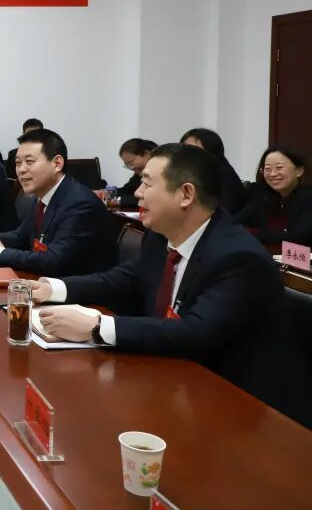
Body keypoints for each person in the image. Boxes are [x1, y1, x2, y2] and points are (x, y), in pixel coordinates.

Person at [32, 144, 305, 423]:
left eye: (147, 183)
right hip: (172, 380)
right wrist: (54, 288)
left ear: (186, 194)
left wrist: (97, 327)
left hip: (239, 409)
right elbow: (123, 278)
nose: (138, 192)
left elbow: (196, 332)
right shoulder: (160, 236)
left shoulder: (240, 258)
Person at [0, 129, 116, 276]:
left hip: (77, 287)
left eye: (30, 161)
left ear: (57, 163)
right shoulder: (43, 195)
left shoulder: (79, 203)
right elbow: (22, 236)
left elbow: (53, 261)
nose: (21, 170)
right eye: (18, 163)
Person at [234, 146, 312, 245]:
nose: (272, 174)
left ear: (299, 171)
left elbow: (297, 238)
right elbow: (233, 223)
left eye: (279, 167)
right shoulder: (264, 196)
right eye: (267, 169)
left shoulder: (308, 198)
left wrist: (250, 232)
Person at [179, 128, 246, 214]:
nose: (188, 155)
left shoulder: (224, 176)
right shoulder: (191, 172)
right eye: (185, 150)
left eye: (195, 150)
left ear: (212, 152)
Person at [101, 138, 157, 209]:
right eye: (127, 165)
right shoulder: (139, 170)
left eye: (131, 162)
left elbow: (148, 198)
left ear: (147, 153)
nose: (132, 167)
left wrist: (113, 201)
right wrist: (105, 193)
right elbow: (128, 189)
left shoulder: (162, 172)